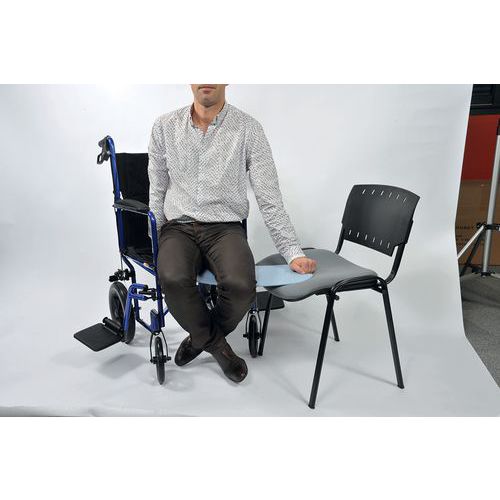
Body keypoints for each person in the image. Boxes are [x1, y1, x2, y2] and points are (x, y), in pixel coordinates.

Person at [148, 84, 316, 383]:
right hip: (178, 228)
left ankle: (199, 338)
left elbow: (268, 197)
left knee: (241, 286)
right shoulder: (164, 126)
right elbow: (157, 187)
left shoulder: (249, 129)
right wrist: (156, 238)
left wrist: (292, 252)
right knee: (171, 278)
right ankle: (219, 348)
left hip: (224, 227)